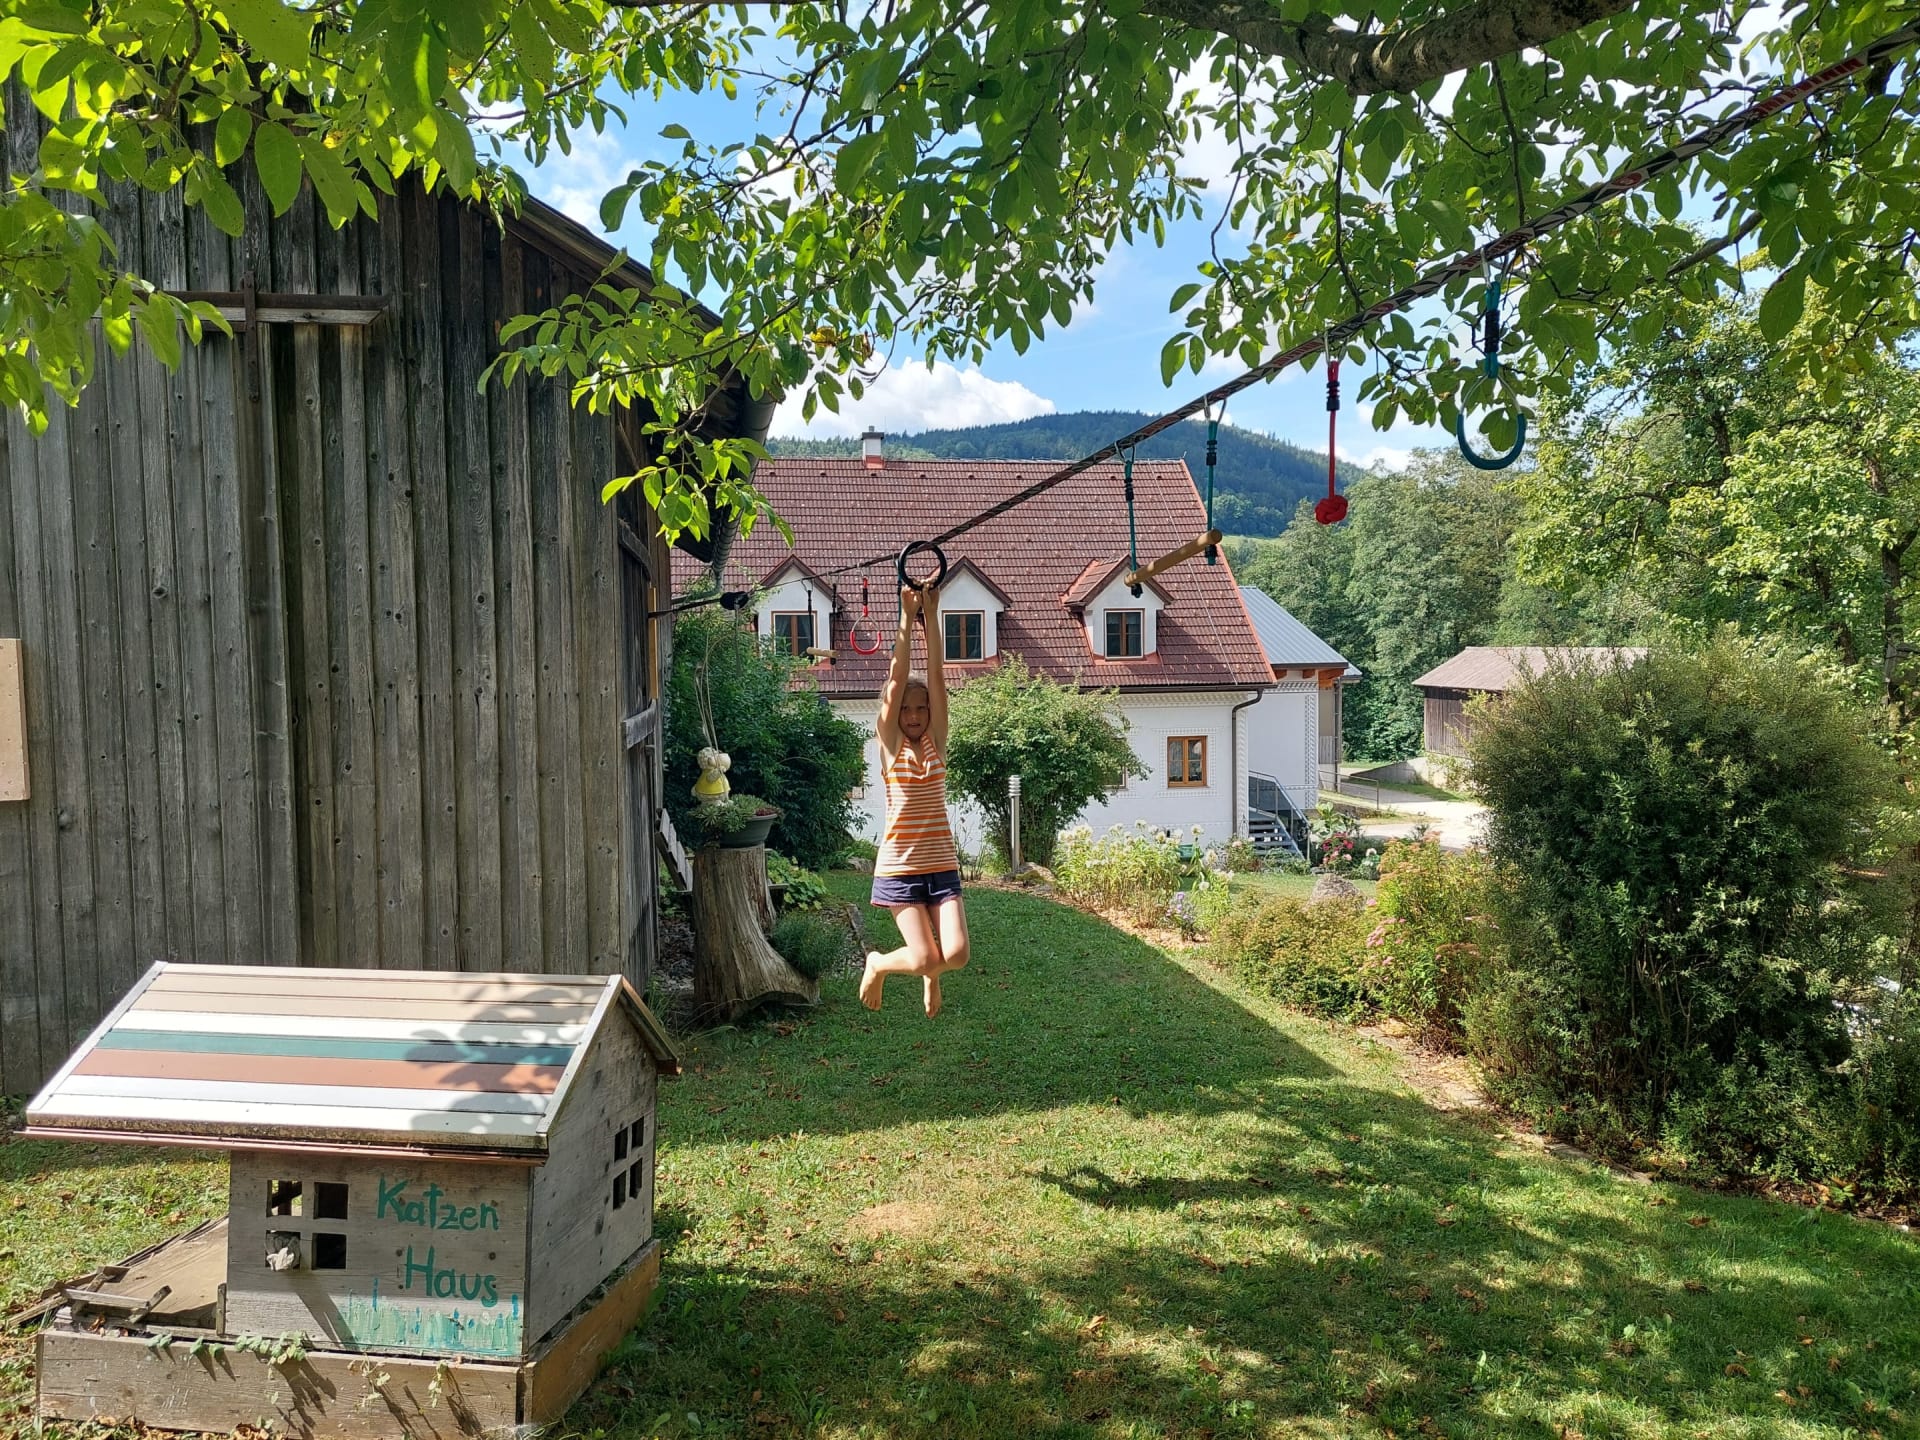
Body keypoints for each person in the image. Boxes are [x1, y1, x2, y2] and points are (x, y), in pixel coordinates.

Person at [862, 583, 970, 1017]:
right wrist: (907, 616)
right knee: (925, 956)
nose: (913, 715)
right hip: (900, 868)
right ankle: (878, 963)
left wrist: (932, 613)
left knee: (956, 955)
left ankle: (932, 975)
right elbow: (896, 680)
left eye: (921, 708)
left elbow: (937, 676)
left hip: (941, 863)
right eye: (906, 708)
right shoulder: (890, 746)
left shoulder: (935, 742)